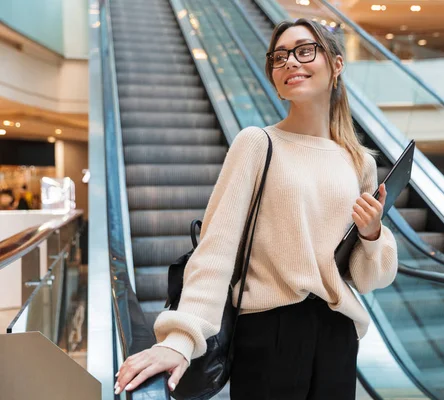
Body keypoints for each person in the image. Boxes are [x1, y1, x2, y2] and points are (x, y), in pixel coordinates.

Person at [115, 18, 398, 399]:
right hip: (269, 333)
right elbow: (216, 250)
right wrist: (179, 340)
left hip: (338, 333)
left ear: (336, 64)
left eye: (304, 50)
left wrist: (372, 234)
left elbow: (367, 278)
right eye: (279, 57)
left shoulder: (359, 162)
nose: (290, 63)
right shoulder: (257, 144)